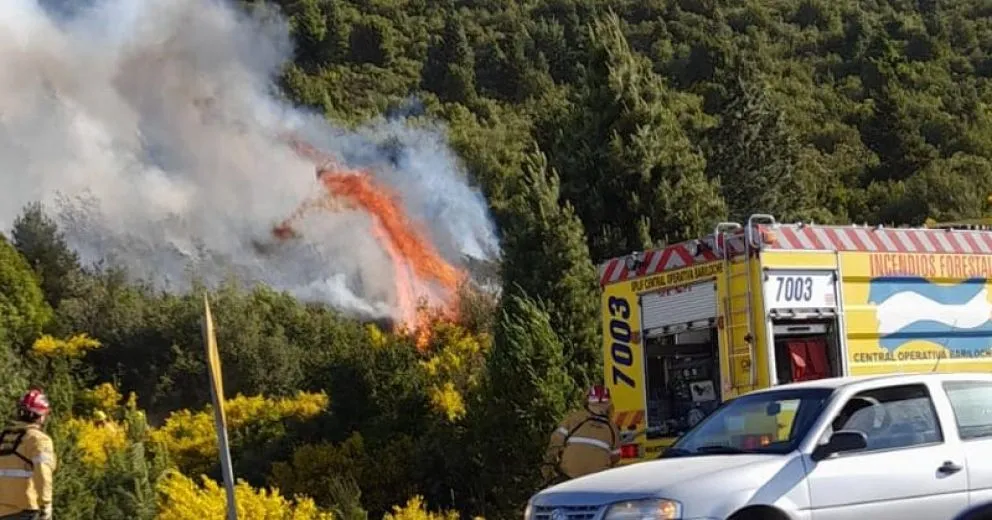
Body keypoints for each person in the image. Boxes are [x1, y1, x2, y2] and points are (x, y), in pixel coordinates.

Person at [542, 385, 620, 484]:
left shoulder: (574, 419)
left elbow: (555, 442)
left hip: (568, 477)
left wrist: (549, 464)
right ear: (608, 404)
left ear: (588, 401)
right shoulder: (612, 428)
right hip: (596, 481)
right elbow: (615, 457)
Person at [0, 388, 57, 520]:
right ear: (41, 416)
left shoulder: (3, 438)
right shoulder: (39, 440)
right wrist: (46, 504)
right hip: (24, 510)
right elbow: (42, 473)